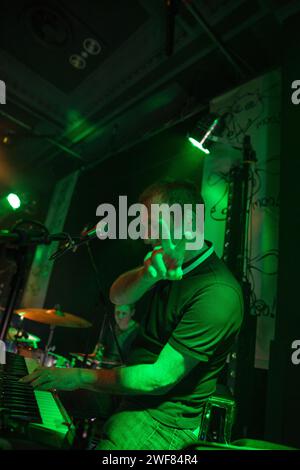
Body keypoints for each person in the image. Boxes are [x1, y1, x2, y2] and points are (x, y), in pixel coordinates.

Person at [21, 180, 244, 450]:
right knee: (26, 411)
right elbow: (118, 296)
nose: (145, 237)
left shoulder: (218, 293)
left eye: (151, 223)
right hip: (133, 396)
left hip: (161, 420)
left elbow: (159, 378)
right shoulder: (165, 262)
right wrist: (145, 275)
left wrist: (78, 376)